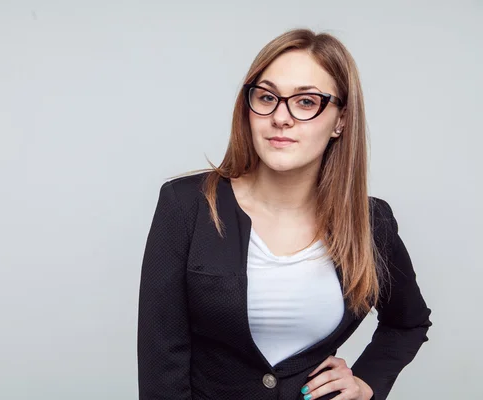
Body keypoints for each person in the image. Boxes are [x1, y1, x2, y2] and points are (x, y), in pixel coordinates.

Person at [136, 28, 432, 400]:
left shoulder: (371, 223)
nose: (281, 117)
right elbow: (161, 362)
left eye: (306, 102)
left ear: (341, 119)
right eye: (267, 97)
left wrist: (365, 381)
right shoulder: (187, 205)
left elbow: (408, 323)